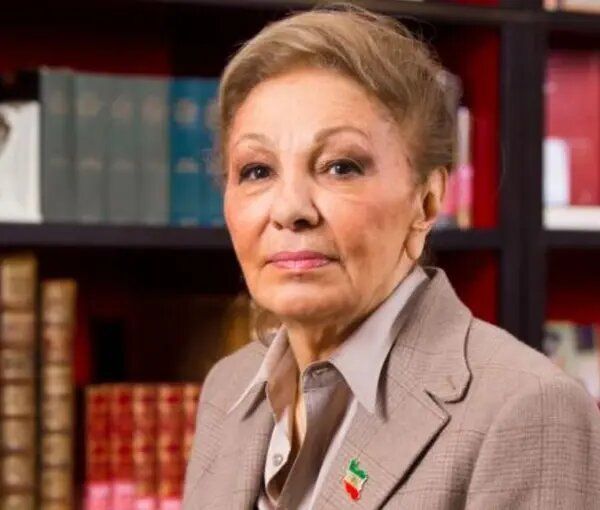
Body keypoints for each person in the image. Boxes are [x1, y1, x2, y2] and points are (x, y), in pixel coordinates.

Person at [182, 4, 600, 509]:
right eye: (257, 171)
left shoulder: (528, 408)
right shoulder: (226, 389)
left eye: (340, 166)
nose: (291, 210)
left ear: (426, 203)